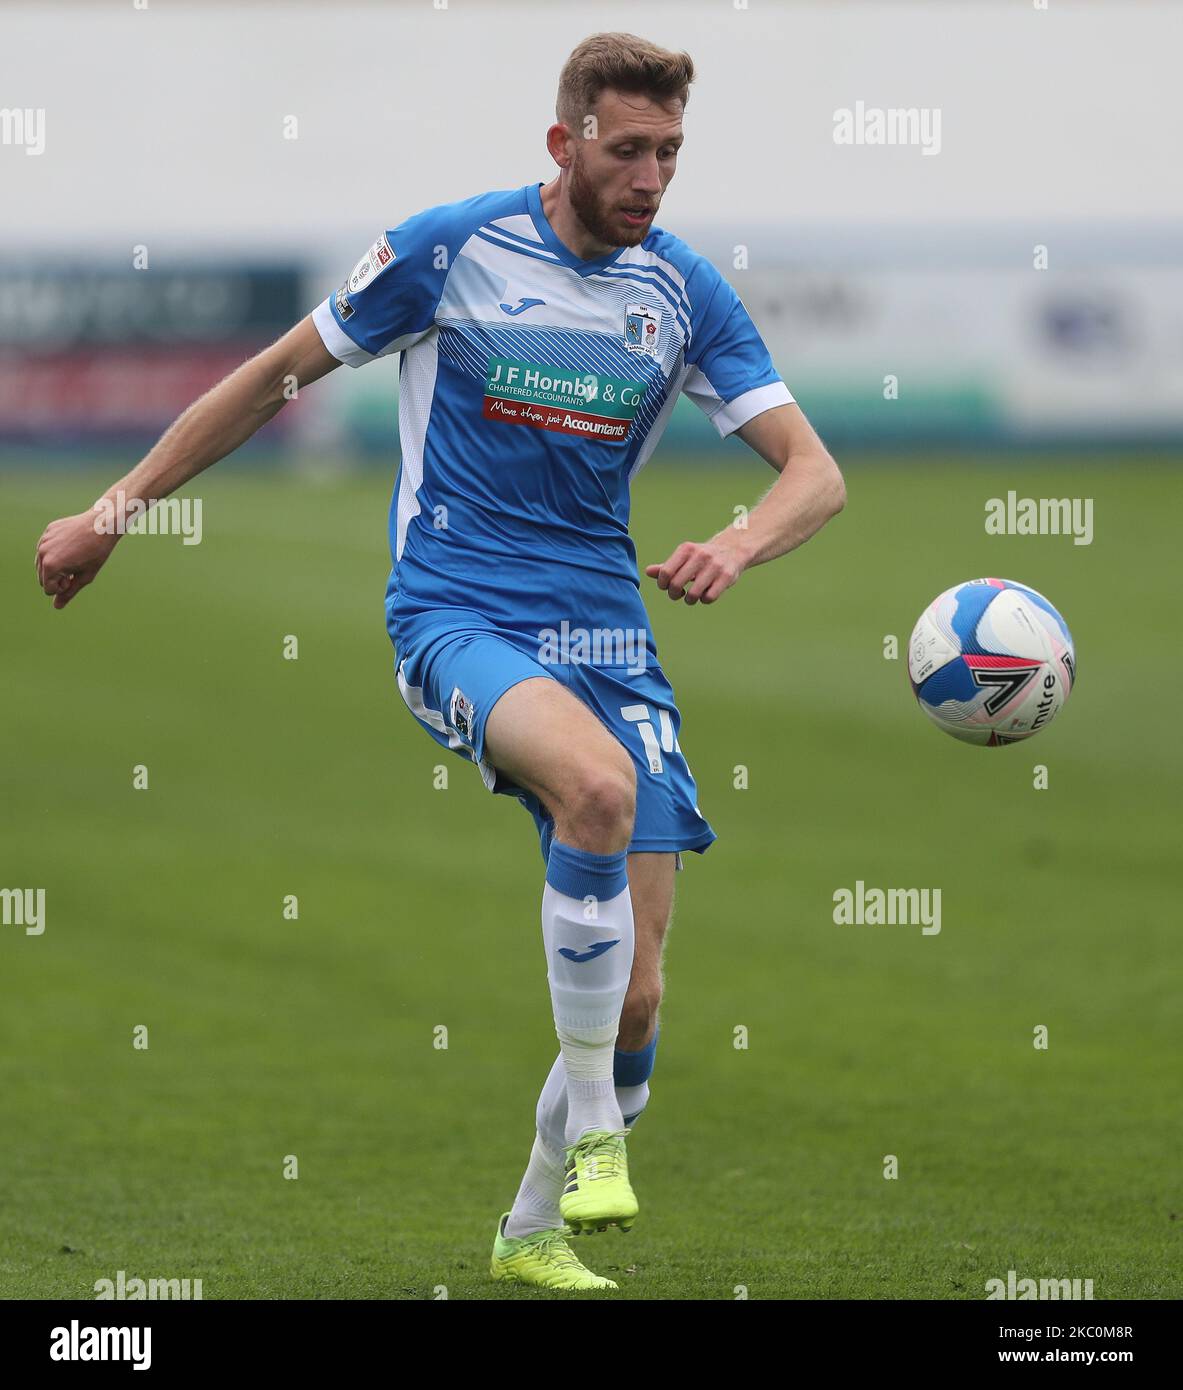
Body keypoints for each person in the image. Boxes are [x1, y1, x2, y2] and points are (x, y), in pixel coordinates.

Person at [36, 31, 845, 1293]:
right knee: (596, 791)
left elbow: (815, 472)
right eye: (626, 149)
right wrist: (115, 509)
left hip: (607, 638)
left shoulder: (682, 291)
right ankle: (591, 1149)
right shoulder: (452, 248)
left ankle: (529, 1229)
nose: (649, 177)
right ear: (562, 141)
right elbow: (271, 377)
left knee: (636, 1003)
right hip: (456, 612)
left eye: (669, 153)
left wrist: (738, 547)